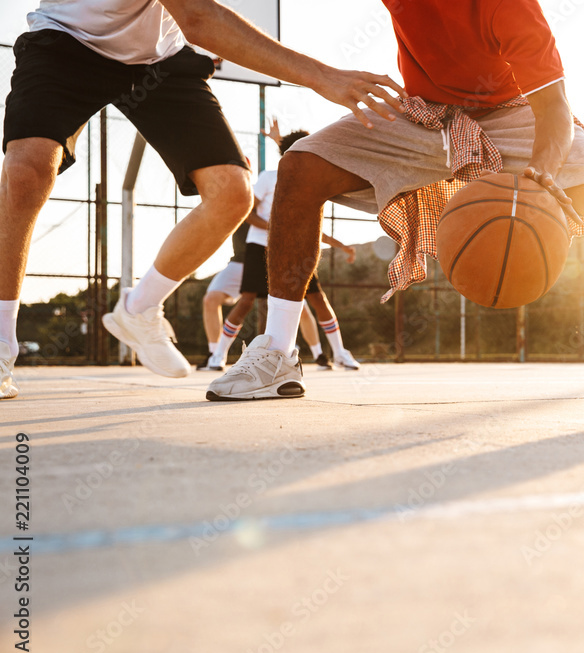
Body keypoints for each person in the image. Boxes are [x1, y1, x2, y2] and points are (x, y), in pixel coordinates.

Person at [209, 0, 584, 401]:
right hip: (423, 114)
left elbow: (553, 109)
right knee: (300, 168)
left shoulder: (508, 4)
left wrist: (541, 176)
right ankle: (279, 352)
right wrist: (316, 75)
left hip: (517, 117)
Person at [0, 0, 403, 400]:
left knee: (232, 192)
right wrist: (322, 76)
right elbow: (198, 18)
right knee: (26, 174)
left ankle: (138, 308)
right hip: (66, 42)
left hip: (159, 59)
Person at [204, 129, 360, 377]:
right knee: (245, 301)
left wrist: (341, 245)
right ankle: (218, 355)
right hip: (261, 247)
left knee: (318, 299)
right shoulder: (269, 177)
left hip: (296, 248)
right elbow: (249, 213)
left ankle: (340, 353)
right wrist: (277, 229)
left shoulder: (311, 181)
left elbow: (312, 226)